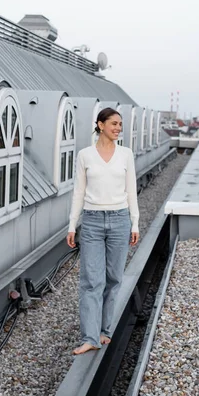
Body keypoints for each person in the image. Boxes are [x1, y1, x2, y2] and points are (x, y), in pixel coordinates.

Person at [67, 107, 140, 355]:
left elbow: (132, 190)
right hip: (92, 222)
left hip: (120, 220)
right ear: (100, 125)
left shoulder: (126, 154)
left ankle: (104, 331)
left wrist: (135, 222)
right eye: (114, 124)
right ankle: (89, 337)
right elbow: (78, 191)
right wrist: (71, 224)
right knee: (91, 281)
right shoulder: (85, 155)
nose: (119, 128)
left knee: (113, 279)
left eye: (120, 124)